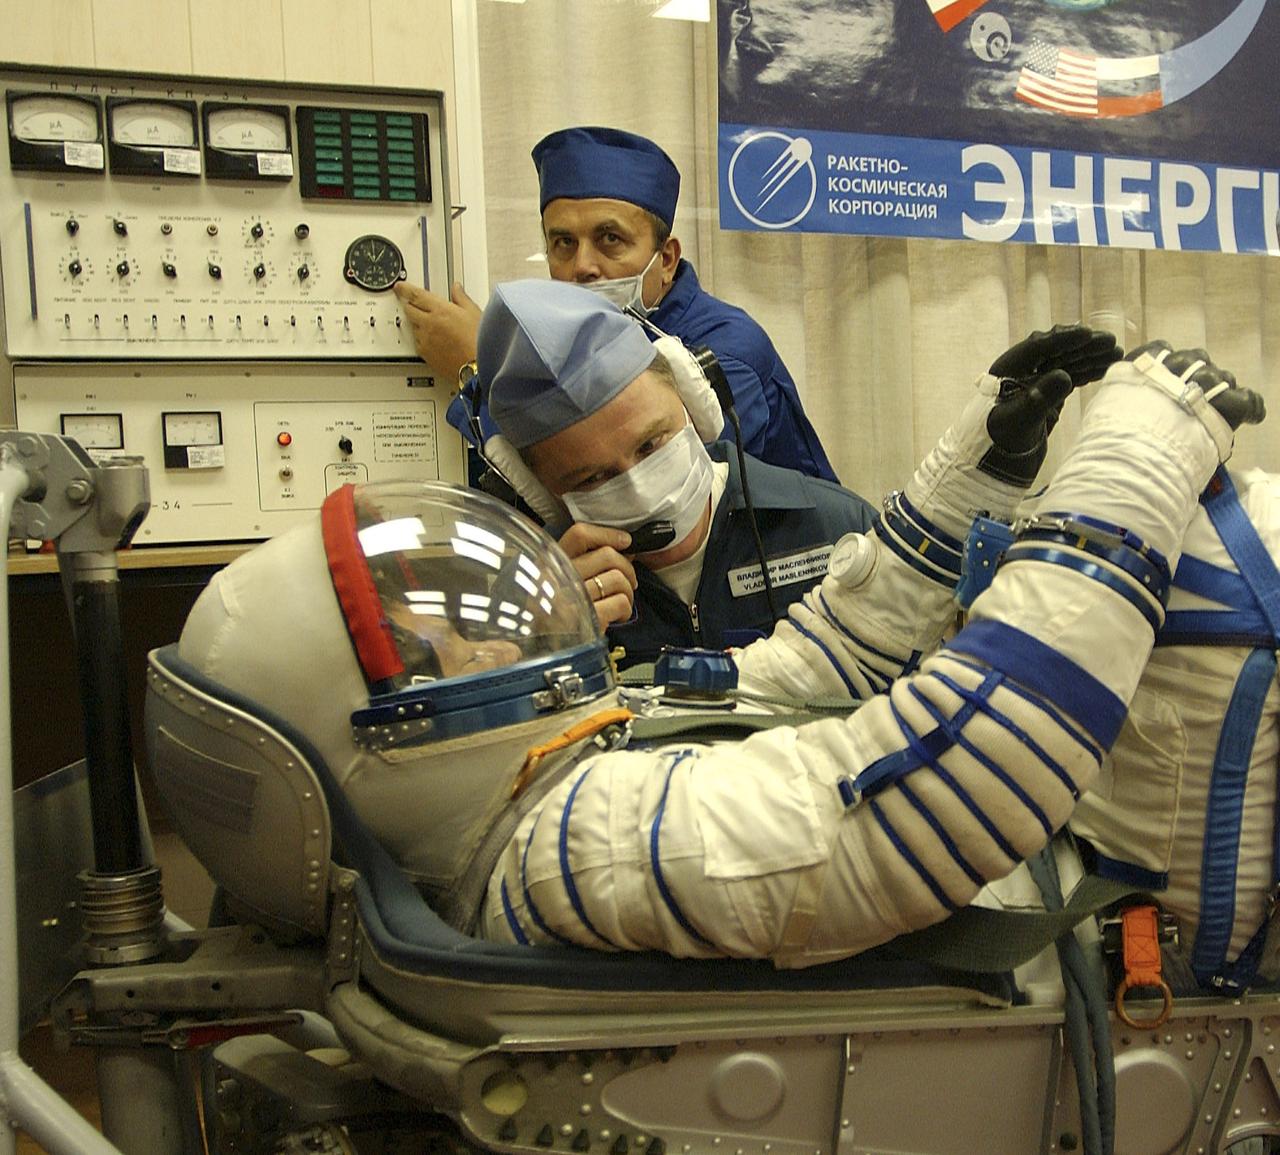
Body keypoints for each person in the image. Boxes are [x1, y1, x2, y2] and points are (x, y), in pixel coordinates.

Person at [172, 269, 1262, 964]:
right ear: (377, 746)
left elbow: (802, 669)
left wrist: (980, 469)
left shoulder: (514, 806)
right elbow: (953, 780)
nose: (495, 637)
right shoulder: (572, 852)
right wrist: (1128, 462)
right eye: (436, 644)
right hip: (1104, 929)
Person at [394, 125, 841, 482]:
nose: (582, 266)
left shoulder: (725, 351)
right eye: (563, 243)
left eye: (610, 240)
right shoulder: (565, 340)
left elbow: (638, 493)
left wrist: (476, 371)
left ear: (665, 260)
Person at [474, 279, 878, 664]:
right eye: (592, 478)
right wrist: (543, 646)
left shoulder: (838, 530)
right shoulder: (525, 600)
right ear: (542, 495)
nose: (642, 490)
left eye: (651, 444)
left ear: (694, 402)